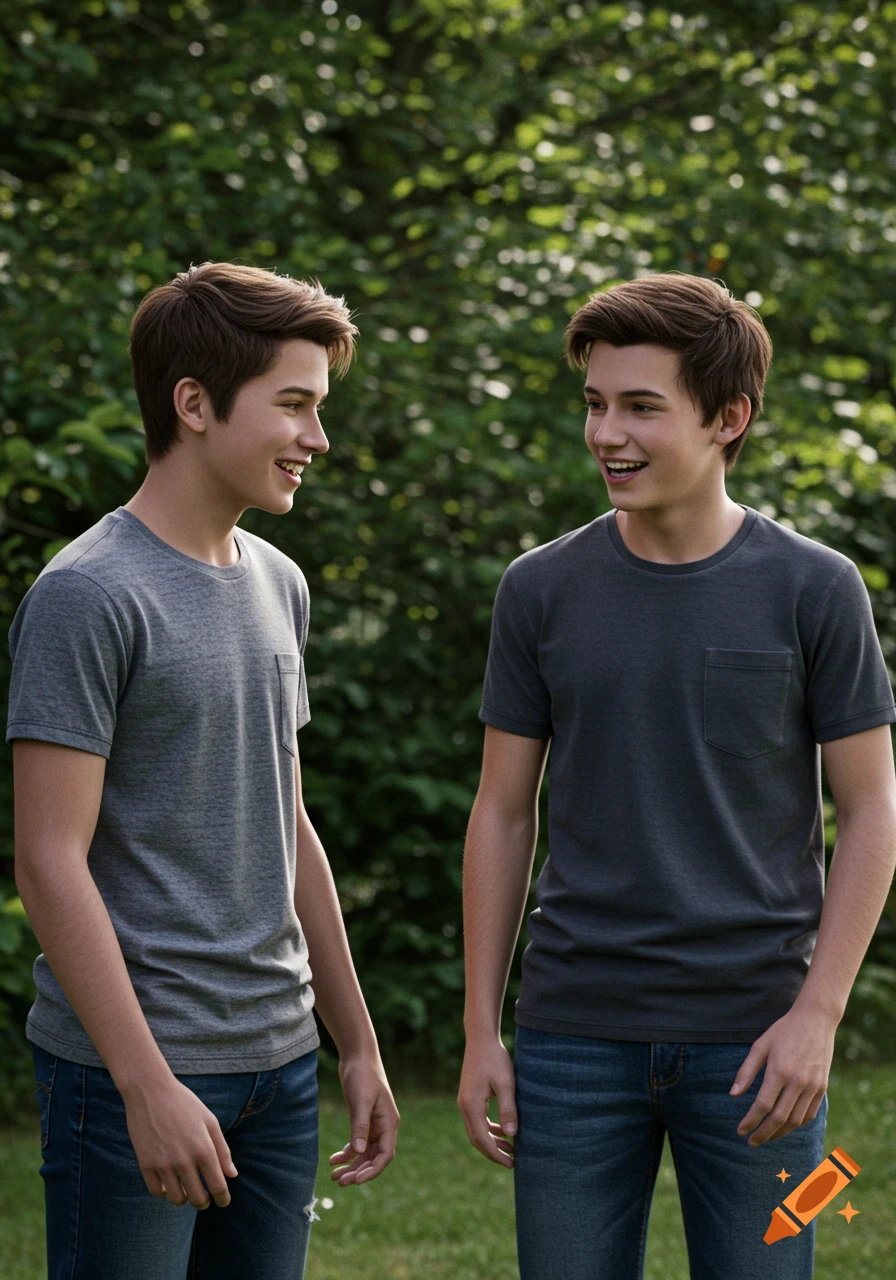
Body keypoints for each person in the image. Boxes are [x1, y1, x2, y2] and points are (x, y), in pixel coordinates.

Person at [457, 272, 896, 1280]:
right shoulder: (537, 589)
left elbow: (870, 804)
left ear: (726, 418)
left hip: (759, 1040)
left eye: (639, 407)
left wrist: (818, 1015)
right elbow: (500, 811)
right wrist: (482, 1027)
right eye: (594, 403)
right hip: (571, 1036)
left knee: (778, 1260)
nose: (604, 433)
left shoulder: (814, 588)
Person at [8, 262, 399, 1280]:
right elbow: (50, 859)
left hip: (277, 1061)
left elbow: (288, 821)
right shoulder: (88, 595)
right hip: (135, 1068)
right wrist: (144, 1084)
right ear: (193, 404)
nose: (317, 437)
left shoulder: (280, 581)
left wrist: (352, 1040)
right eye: (294, 405)